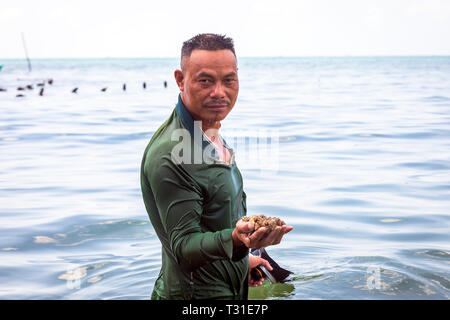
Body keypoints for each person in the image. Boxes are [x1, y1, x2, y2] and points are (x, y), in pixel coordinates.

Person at [140, 33, 293, 300]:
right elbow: (184, 247)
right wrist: (236, 240)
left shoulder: (209, 133)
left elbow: (211, 222)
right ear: (180, 79)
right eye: (205, 80)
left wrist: (241, 261)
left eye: (228, 80)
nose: (219, 92)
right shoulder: (171, 154)